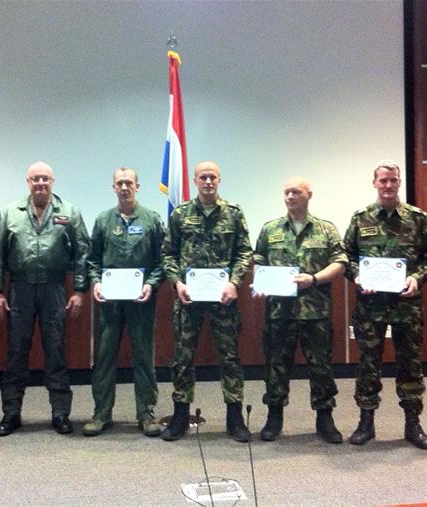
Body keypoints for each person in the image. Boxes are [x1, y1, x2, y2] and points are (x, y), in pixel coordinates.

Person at [0, 161, 90, 436]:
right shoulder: (10, 212)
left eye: (45, 178)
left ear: (53, 181)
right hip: (19, 289)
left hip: (54, 289)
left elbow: (83, 252)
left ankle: (60, 413)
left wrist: (80, 291)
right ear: (28, 182)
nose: (41, 183)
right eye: (36, 179)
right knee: (15, 352)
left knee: (55, 351)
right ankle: (11, 414)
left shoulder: (69, 212)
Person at [342, 160, 427, 449]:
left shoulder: (416, 218)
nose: (388, 185)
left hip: (406, 305)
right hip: (370, 305)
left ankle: (413, 424)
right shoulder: (361, 218)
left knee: (410, 363)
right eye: (383, 180)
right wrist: (358, 276)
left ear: (399, 183)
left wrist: (417, 279)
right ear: (374, 183)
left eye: (393, 180)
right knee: (368, 363)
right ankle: (366, 422)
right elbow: (346, 255)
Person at [161, 161, 253, 442]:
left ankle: (235, 418)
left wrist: (234, 282)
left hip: (223, 299)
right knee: (183, 358)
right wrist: (177, 283)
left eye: (213, 177)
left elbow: (245, 253)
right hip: (188, 299)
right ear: (195, 180)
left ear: (219, 180)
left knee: (230, 358)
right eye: (203, 177)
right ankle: (179, 417)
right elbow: (168, 254)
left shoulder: (234, 214)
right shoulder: (180, 214)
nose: (208, 181)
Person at [253, 176, 346, 443]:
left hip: (315, 311)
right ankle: (274, 417)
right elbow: (258, 259)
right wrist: (260, 282)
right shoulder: (270, 229)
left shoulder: (325, 229)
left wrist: (315, 279)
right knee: (276, 366)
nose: (290, 196)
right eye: (286, 192)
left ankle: (325, 419)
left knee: (321, 367)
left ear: (309, 195)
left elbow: (339, 262)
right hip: (279, 312)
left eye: (296, 192)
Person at [83, 167, 164, 437]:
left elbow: (161, 261)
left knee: (143, 357)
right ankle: (101, 414)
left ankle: (147, 414)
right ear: (113, 187)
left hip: (141, 301)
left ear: (138, 187)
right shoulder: (103, 220)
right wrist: (95, 281)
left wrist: (151, 284)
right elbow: (92, 259)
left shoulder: (151, 220)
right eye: (120, 183)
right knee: (105, 357)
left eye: (129, 183)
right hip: (110, 302)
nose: (125, 187)